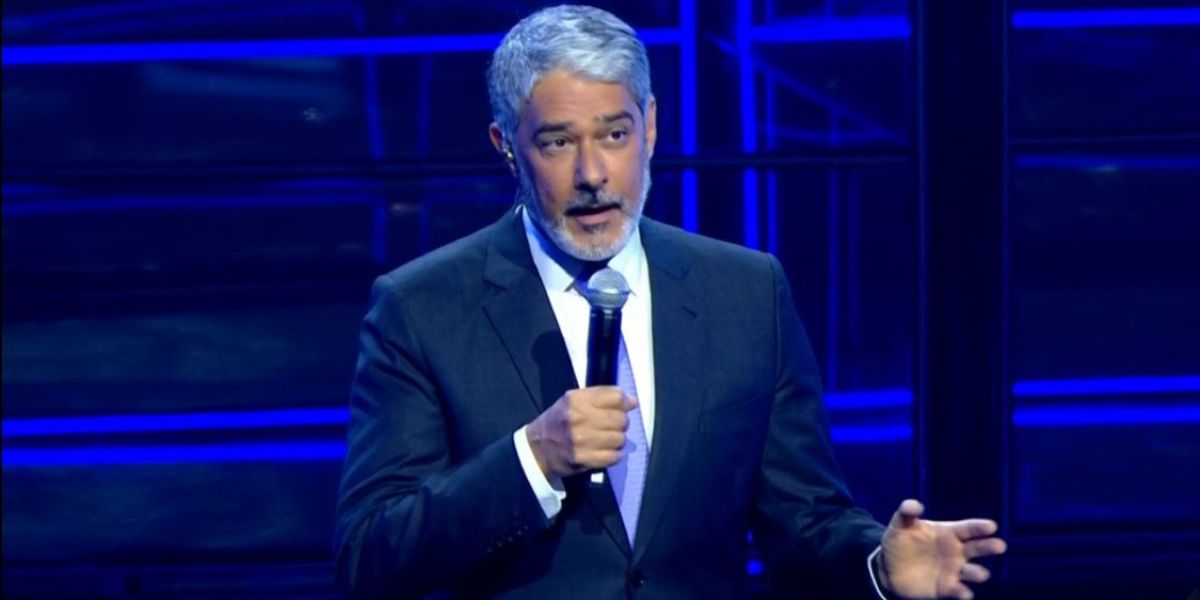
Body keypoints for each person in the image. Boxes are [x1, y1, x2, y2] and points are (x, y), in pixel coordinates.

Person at [334, 5, 1005, 599]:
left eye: (615, 134)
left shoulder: (746, 292)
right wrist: (531, 459)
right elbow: (369, 556)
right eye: (558, 142)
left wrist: (877, 569)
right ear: (506, 146)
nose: (592, 174)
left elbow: (804, 522)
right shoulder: (421, 309)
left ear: (651, 126)